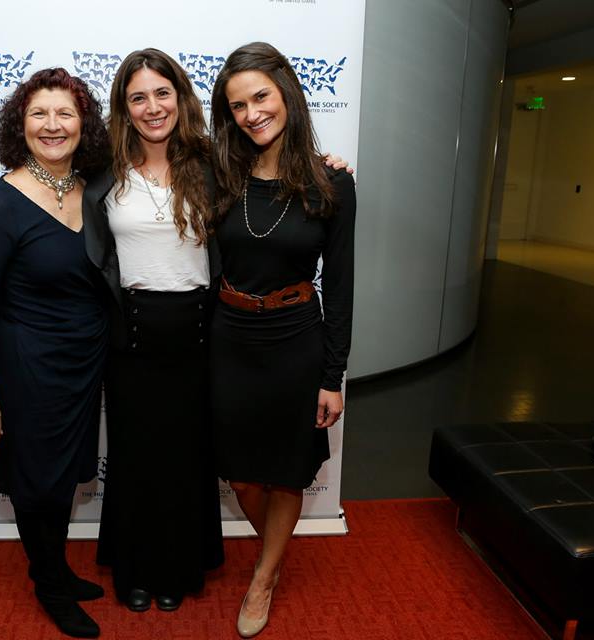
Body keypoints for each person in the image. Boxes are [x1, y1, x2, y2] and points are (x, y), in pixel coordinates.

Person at [208, 42, 356, 638]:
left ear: (287, 93)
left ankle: (264, 575)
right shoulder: (220, 173)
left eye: (261, 97)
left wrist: (332, 375)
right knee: (243, 476)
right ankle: (268, 553)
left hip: (297, 343)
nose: (251, 113)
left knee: (288, 473)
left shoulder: (332, 184)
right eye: (238, 105)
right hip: (229, 340)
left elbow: (341, 287)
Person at [0, 67, 111, 639]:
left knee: (64, 477)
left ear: (83, 123)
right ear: (19, 126)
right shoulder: (1, 204)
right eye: (39, 114)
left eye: (65, 113)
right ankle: (49, 585)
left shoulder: (91, 186)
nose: (53, 125)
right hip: (31, 365)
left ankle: (57, 570)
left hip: (85, 363)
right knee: (37, 483)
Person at [82, 48, 224, 613]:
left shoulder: (215, 166)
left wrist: (329, 163)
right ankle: (135, 570)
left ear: (180, 97)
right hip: (131, 336)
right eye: (137, 97)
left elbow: (274, 173)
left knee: (187, 459)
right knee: (136, 459)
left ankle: (178, 569)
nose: (152, 106)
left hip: (197, 333)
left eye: (161, 93)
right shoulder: (103, 175)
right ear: (124, 107)